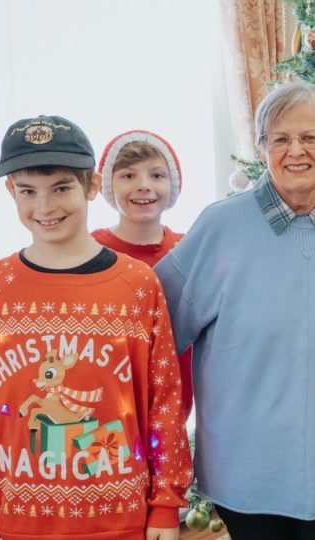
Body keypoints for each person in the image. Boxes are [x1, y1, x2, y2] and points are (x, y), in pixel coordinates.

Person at [154, 81, 315, 540]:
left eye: (310, 137)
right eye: (280, 139)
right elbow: (155, 330)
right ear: (262, 147)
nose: (296, 151)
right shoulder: (220, 226)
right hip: (245, 468)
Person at [0, 115, 192, 540]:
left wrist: (166, 505)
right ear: (11, 192)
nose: (44, 207)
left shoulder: (136, 284)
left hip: (120, 519)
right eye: (28, 192)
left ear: (92, 187)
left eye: (61, 188)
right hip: (16, 523)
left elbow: (164, 403)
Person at [91, 130, 192, 417]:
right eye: (128, 176)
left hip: (173, 408)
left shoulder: (188, 250)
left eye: (157, 175)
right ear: (108, 185)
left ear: (173, 185)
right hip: (106, 407)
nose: (144, 186)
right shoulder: (90, 250)